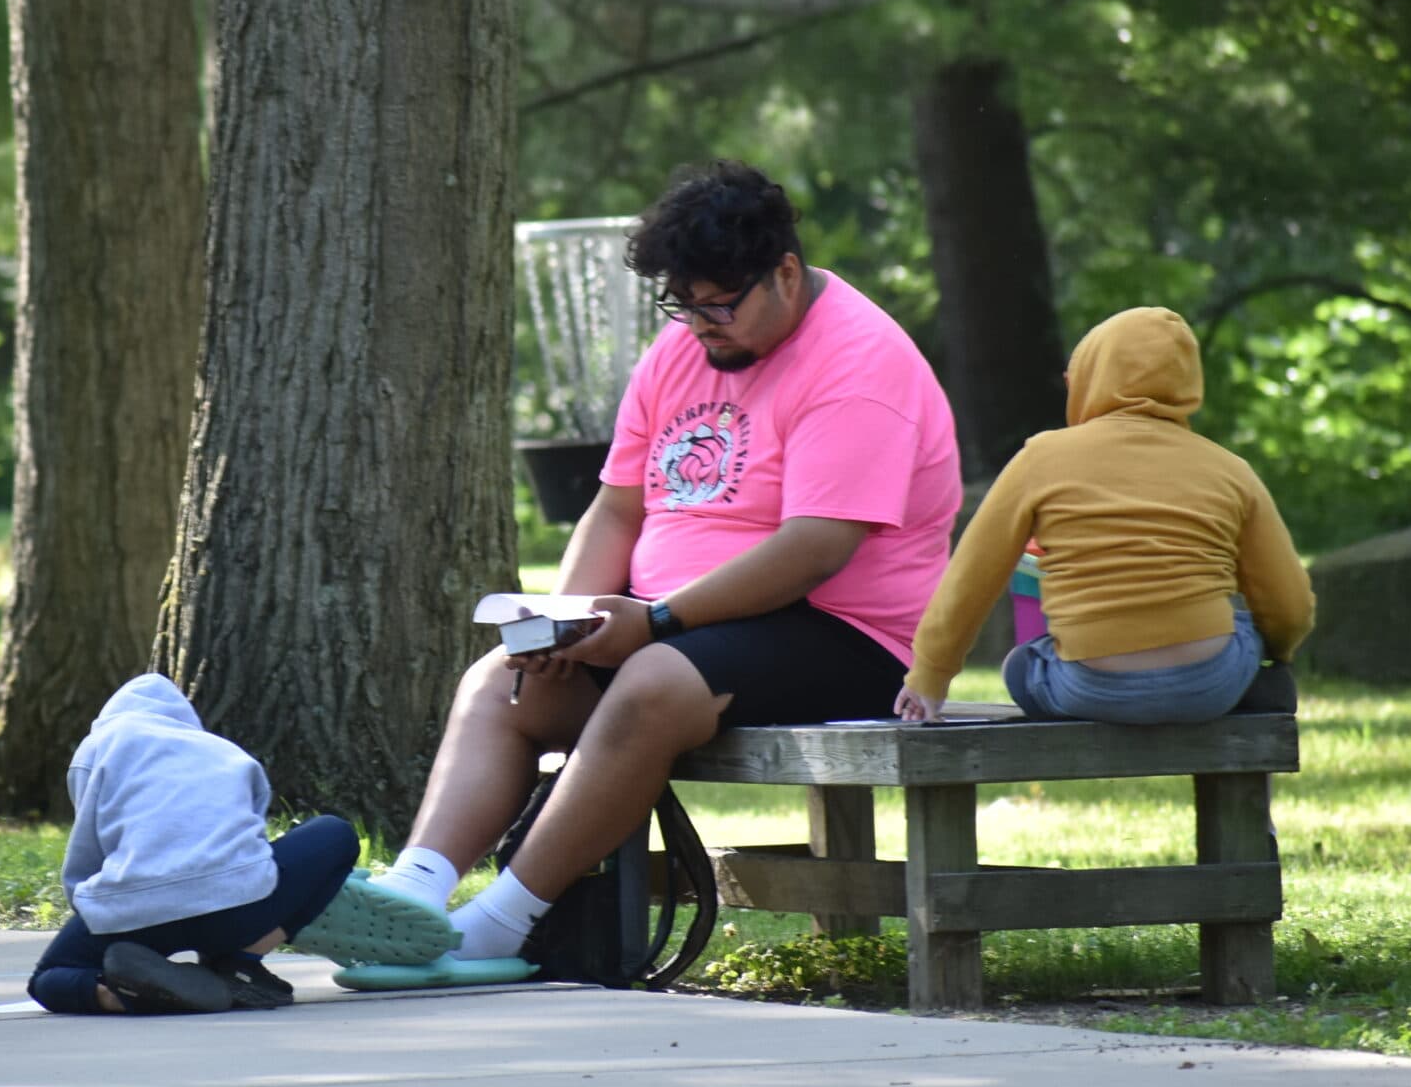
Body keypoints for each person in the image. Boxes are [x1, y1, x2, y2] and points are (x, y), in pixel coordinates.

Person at [359, 160, 963, 982]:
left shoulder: (859, 365)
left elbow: (816, 547)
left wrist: (659, 619)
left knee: (653, 682)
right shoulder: (682, 349)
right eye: (684, 304)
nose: (700, 325)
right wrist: (564, 621)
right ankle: (410, 897)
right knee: (505, 679)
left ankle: (501, 926)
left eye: (720, 304)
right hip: (678, 624)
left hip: (844, 633)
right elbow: (617, 508)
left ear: (785, 272)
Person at [895, 306, 1314, 725]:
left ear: (1088, 379)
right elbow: (1289, 605)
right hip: (1208, 683)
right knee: (1241, 627)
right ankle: (1258, 688)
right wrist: (1277, 653)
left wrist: (931, 674)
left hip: (1088, 686)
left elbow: (972, 575)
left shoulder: (1041, 458)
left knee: (1022, 665)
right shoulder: (1230, 470)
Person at [28, 674, 452, 1014]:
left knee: (50, 976)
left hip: (138, 913)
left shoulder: (96, 750)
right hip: (237, 903)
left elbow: (87, 851)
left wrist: (89, 908)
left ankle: (118, 996)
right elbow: (250, 834)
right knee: (334, 834)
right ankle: (241, 963)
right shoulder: (220, 750)